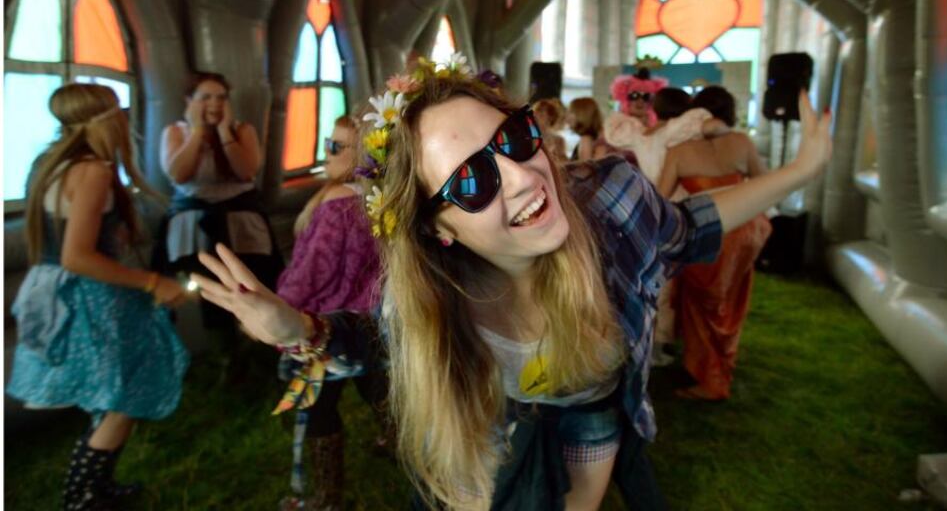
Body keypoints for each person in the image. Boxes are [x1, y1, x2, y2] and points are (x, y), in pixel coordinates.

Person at [191, 54, 831, 510]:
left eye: (516, 138)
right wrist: (295, 329)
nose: (525, 177)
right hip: (492, 424)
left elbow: (688, 227)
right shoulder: (432, 300)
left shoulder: (608, 206)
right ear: (439, 227)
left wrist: (801, 170)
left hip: (592, 407)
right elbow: (369, 344)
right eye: (470, 181)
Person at [7, 83, 190, 510]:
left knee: (108, 393)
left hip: (60, 291)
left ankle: (96, 484)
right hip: (96, 298)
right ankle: (83, 496)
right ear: (108, 121)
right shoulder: (92, 171)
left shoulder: (48, 163)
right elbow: (77, 256)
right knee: (123, 395)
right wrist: (151, 282)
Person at [275, 116, 389, 511]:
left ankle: (327, 497)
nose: (328, 152)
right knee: (377, 389)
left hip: (326, 328)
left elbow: (311, 271)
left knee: (319, 410)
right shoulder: (382, 202)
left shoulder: (334, 202)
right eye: (329, 142)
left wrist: (276, 311)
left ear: (364, 155)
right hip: (370, 322)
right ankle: (398, 445)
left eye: (338, 146)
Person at [155, 72, 283, 365]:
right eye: (205, 97)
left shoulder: (243, 130)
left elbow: (247, 170)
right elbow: (178, 173)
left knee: (256, 282)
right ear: (190, 101)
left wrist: (225, 132)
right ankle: (226, 357)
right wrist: (198, 130)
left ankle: (266, 348)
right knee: (209, 289)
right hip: (195, 223)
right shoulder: (175, 132)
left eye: (221, 97)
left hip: (243, 221)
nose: (215, 103)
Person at [657, 85, 772, 401]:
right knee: (729, 304)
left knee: (700, 305)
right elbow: (764, 184)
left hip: (705, 232)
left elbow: (659, 198)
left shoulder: (679, 151)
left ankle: (709, 379)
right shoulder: (741, 142)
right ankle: (715, 369)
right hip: (743, 231)